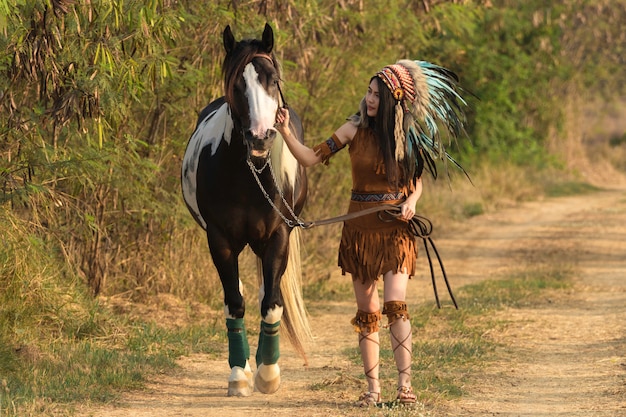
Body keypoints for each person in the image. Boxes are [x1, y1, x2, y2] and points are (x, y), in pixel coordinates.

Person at [275, 59, 467, 407]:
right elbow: (309, 158)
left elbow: (417, 179)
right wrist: (286, 132)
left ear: (394, 98)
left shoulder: (407, 135)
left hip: (397, 228)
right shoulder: (352, 129)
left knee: (396, 304)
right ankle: (373, 389)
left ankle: (405, 386)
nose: (370, 99)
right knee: (368, 311)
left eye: (377, 94)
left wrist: (412, 200)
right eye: (368, 92)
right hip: (360, 230)